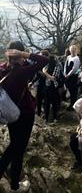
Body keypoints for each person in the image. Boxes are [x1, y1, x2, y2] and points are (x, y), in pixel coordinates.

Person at [0, 41, 49, 192]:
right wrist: (25, 54)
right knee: (18, 149)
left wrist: (19, 56)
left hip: (10, 113)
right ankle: (14, 186)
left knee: (15, 146)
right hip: (25, 114)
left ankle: (13, 182)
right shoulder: (23, 72)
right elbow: (44, 60)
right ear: (20, 54)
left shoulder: (2, 68)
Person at [42, 54, 61, 123]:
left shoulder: (57, 67)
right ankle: (46, 118)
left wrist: (45, 73)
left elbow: (53, 78)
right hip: (47, 86)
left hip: (53, 87)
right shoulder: (47, 66)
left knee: (54, 103)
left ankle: (55, 118)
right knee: (46, 103)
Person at [64, 45, 80, 110]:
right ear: (70, 50)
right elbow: (65, 66)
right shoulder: (68, 57)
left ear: (76, 50)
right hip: (67, 76)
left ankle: (73, 105)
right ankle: (70, 103)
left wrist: (68, 75)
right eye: (71, 50)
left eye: (74, 50)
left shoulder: (76, 58)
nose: (72, 51)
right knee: (69, 90)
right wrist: (65, 73)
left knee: (73, 92)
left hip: (73, 77)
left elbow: (74, 69)